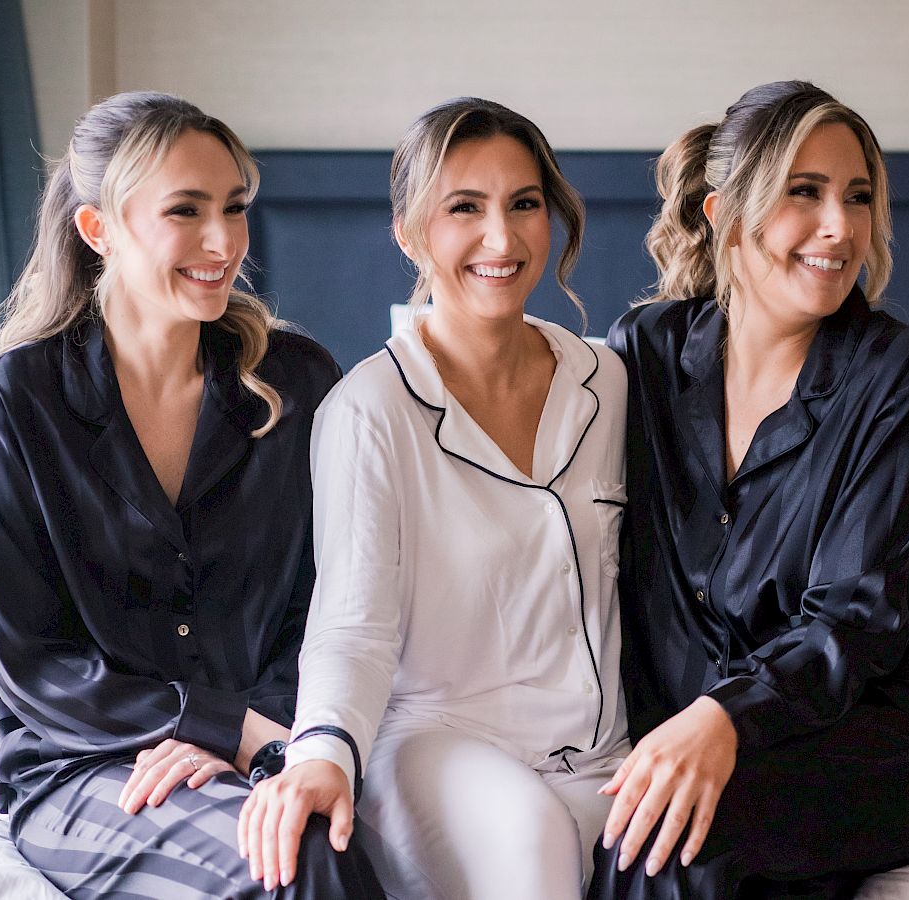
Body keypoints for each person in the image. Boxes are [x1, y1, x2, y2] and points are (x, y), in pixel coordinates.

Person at [586, 81, 909, 899]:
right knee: (644, 836)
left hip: (902, 714)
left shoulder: (900, 375)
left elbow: (859, 616)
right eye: (806, 191)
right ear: (724, 214)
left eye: (858, 197)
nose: (842, 226)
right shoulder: (645, 352)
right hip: (722, 715)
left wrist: (721, 719)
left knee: (676, 847)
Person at [0, 91, 384, 899]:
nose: (223, 242)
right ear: (99, 230)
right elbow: (37, 666)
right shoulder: (15, 403)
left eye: (234, 207)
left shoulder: (298, 382)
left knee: (309, 845)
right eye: (184, 211)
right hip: (84, 766)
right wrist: (219, 724)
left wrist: (258, 729)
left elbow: (332, 599)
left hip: (277, 729)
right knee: (297, 864)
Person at [235, 97, 632, 898]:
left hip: (601, 754)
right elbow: (352, 625)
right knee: (529, 846)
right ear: (410, 234)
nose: (502, 237)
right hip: (440, 745)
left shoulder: (608, 380)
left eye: (524, 204)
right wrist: (319, 754)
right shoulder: (369, 410)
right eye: (464, 209)